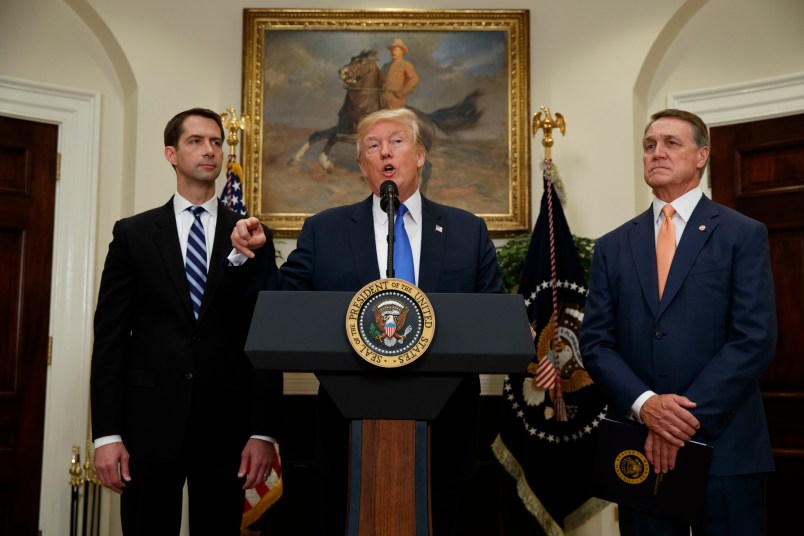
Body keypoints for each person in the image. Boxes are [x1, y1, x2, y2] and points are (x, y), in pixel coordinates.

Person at [230, 107, 503, 535]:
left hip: (446, 431)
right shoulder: (325, 231)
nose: (385, 153)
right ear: (361, 166)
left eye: (397, 141)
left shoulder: (467, 231)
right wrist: (259, 254)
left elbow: (492, 313)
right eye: (372, 147)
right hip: (349, 432)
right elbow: (284, 306)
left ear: (420, 155)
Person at [579, 109, 777, 535]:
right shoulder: (613, 246)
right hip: (640, 446)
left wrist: (678, 421)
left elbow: (754, 338)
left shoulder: (742, 234)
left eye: (671, 142)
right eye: (649, 145)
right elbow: (595, 342)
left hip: (726, 448)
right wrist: (647, 405)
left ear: (702, 155)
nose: (657, 152)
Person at [90, 107, 282, 535]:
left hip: (227, 426)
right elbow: (111, 340)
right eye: (196, 141)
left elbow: (266, 338)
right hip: (148, 422)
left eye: (216, 142)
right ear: (171, 154)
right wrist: (106, 435)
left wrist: (263, 431)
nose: (209, 150)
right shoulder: (133, 235)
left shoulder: (252, 233)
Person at [381, 38, 420, 109]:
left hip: (396, 99)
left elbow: (414, 80)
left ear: (402, 52)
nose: (393, 52)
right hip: (382, 98)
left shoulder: (406, 64)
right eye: (392, 50)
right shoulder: (385, 66)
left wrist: (401, 93)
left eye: (396, 50)